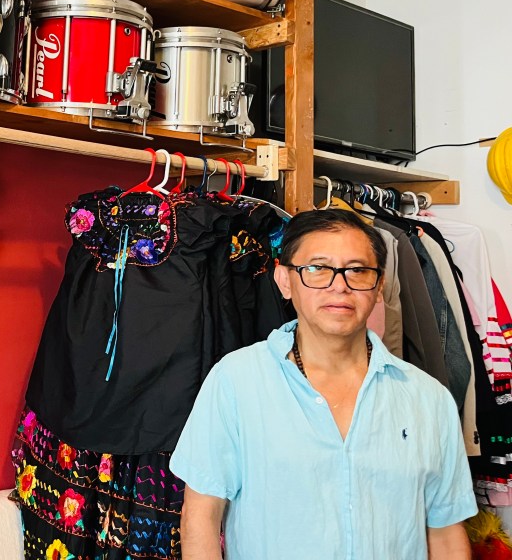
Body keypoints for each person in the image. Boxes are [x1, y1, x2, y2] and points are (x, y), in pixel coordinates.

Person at [169, 209, 477, 559]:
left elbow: (445, 531)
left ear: (379, 287)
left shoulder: (428, 399)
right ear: (285, 281)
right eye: (317, 268)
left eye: (358, 270)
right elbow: (201, 518)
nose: (339, 285)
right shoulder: (236, 381)